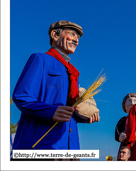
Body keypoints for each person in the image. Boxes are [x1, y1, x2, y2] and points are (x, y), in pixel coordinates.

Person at [12, 20, 99, 153]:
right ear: (55, 34)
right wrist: (51, 112)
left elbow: (68, 108)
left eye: (78, 37)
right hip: (40, 145)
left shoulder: (73, 73)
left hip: (70, 148)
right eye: (72, 34)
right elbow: (21, 96)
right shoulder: (40, 59)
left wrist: (84, 116)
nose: (76, 40)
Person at [115, 93, 136, 160]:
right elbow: (117, 131)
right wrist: (120, 137)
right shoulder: (123, 120)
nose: (132, 103)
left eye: (135, 101)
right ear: (124, 104)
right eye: (129, 100)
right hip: (126, 146)